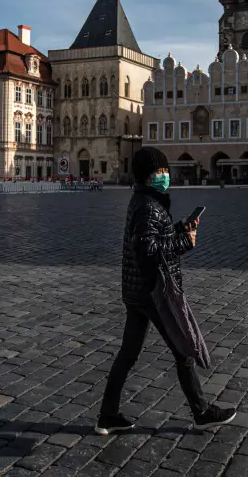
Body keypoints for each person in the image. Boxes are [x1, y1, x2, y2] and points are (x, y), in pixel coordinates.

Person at [96, 147, 235, 435]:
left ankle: (107, 415)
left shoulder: (144, 200)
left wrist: (178, 228)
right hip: (153, 292)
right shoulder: (148, 205)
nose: (166, 175)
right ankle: (202, 412)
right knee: (183, 349)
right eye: (161, 171)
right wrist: (185, 243)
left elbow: (152, 236)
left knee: (128, 354)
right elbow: (148, 250)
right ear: (149, 175)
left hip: (137, 290)